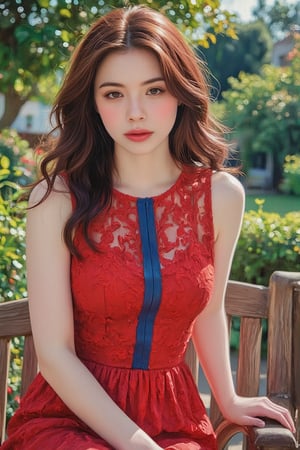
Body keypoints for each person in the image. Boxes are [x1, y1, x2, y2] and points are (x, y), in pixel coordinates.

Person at [2, 5, 295, 450]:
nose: (135, 112)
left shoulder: (220, 196)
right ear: (93, 102)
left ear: (181, 92)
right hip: (68, 420)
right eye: (114, 94)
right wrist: (138, 445)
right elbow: (56, 355)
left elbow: (208, 311)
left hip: (171, 416)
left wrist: (229, 398)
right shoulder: (57, 199)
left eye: (154, 90)